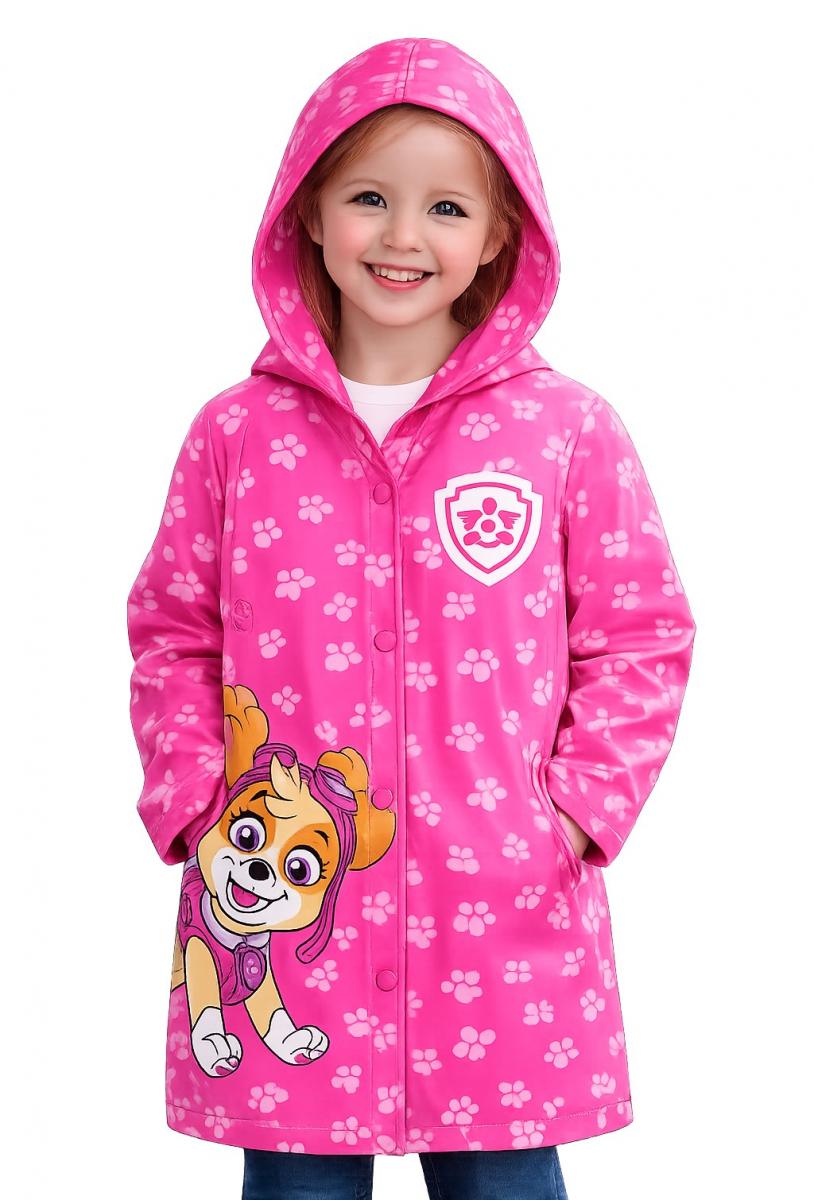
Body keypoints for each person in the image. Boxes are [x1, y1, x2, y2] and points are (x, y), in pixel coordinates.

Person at [126, 35, 696, 1200]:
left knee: (504, 1180)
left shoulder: (564, 432)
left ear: (499, 235)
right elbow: (174, 627)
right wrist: (194, 798)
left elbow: (639, 631)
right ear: (307, 212)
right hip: (285, 898)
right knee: (296, 1186)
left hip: (497, 912)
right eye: (368, 198)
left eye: (445, 207)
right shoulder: (238, 434)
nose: (401, 236)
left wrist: (576, 814)